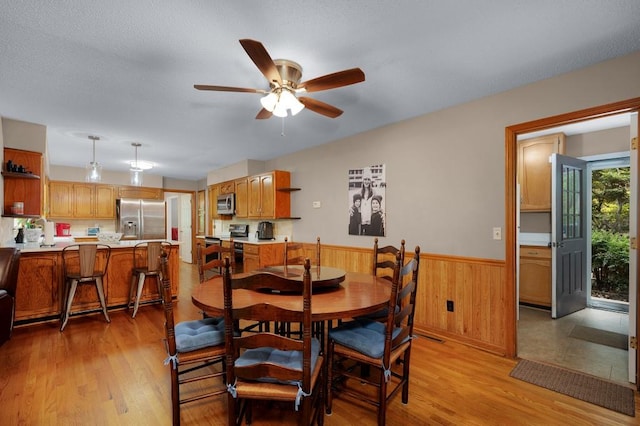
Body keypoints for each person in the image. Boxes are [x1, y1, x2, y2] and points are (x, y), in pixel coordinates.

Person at [359, 170, 375, 235]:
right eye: (365, 179)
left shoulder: (374, 192)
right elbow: (355, 204)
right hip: (362, 220)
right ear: (363, 180)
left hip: (370, 220)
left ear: (370, 181)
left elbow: (377, 204)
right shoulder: (359, 192)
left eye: (368, 179)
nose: (367, 181)